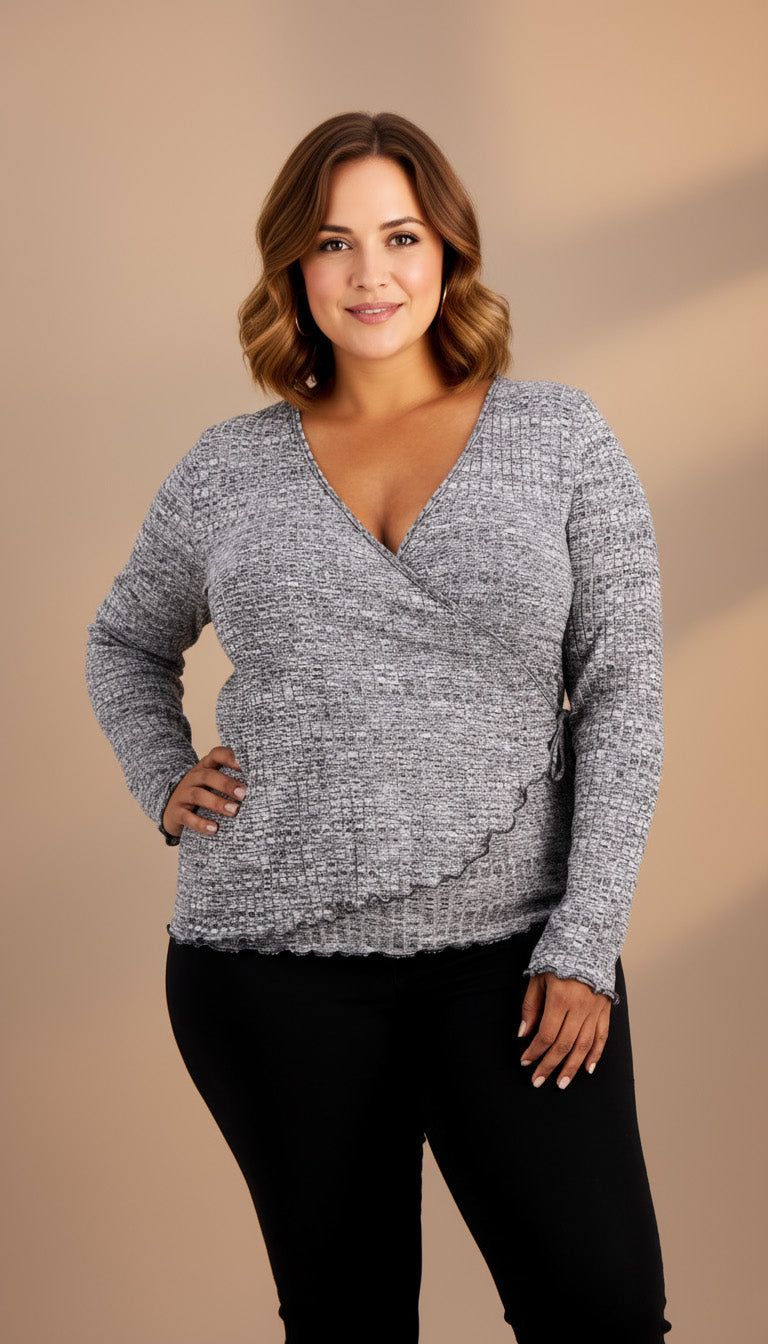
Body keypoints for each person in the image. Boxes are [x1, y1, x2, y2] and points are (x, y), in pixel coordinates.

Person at [85, 110, 673, 1342]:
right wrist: (163, 776)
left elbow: (623, 694)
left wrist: (585, 939)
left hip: (516, 963)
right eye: (333, 242)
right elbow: (126, 641)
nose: (371, 273)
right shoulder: (227, 469)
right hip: (267, 969)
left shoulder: (560, 438)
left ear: (448, 252)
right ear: (293, 268)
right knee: (344, 1322)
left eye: (401, 237)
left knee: (600, 1312)